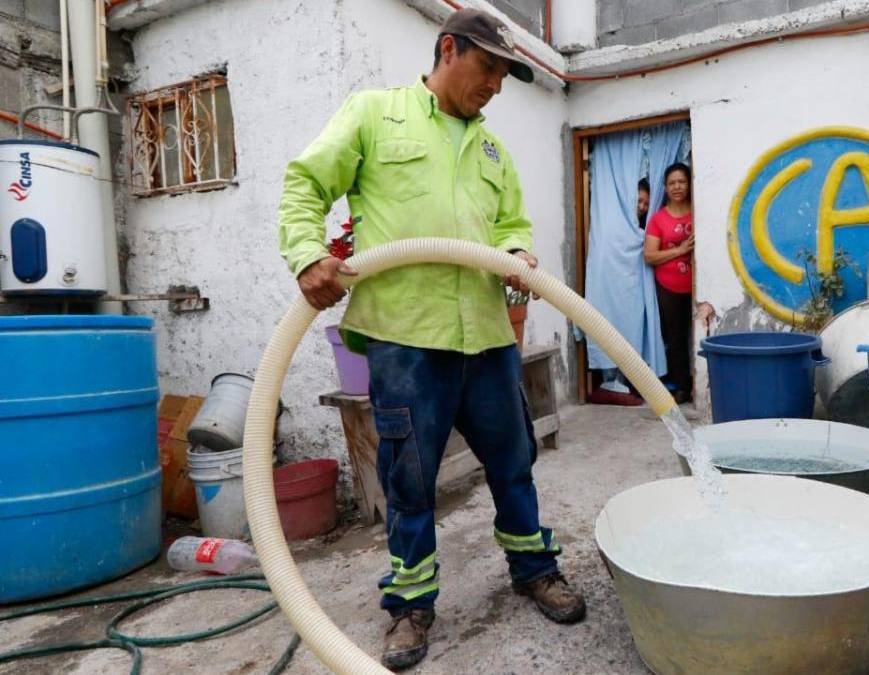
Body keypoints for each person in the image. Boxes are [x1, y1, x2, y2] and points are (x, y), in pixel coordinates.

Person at [277, 10, 585, 672]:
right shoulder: (375, 114)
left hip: (486, 336)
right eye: (490, 69)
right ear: (449, 48)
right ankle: (410, 605)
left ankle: (534, 567)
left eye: (506, 75)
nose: (497, 86)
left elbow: (512, 222)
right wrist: (307, 255)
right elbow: (305, 182)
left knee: (513, 460)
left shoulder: (493, 151)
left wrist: (516, 254)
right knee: (410, 477)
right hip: (407, 339)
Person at [643, 163, 694, 404]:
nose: (677, 187)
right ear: (665, 187)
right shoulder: (658, 219)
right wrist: (681, 250)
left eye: (681, 181)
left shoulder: (699, 211)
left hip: (698, 288)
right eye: (672, 183)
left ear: (689, 183)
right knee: (675, 337)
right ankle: (682, 386)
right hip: (669, 286)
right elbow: (649, 256)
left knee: (699, 334)